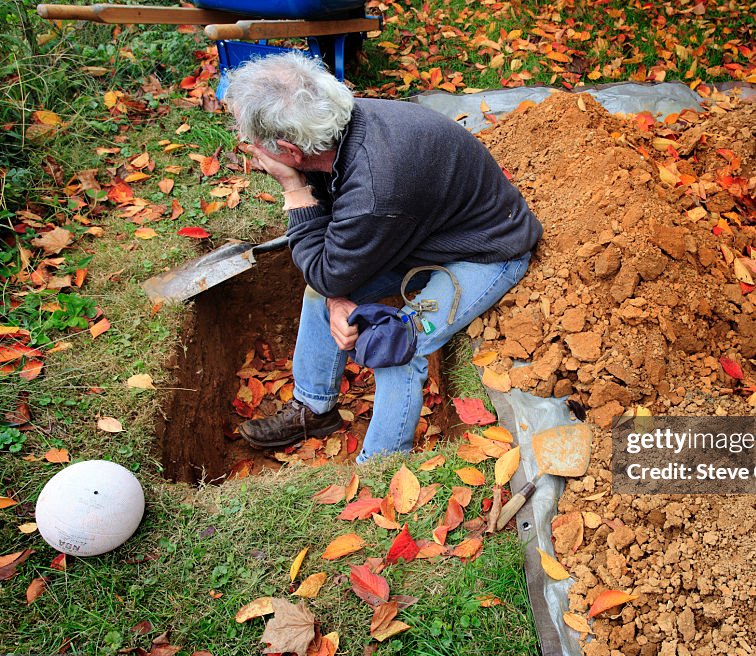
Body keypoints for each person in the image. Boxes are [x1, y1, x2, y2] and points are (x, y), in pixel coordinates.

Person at [224, 52, 541, 463]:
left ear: (290, 151)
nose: (252, 152)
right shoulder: (338, 126)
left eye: (257, 146)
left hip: (485, 254)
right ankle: (314, 409)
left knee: (395, 343)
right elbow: (328, 271)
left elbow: (328, 265)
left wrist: (292, 188)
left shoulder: (376, 186)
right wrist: (335, 292)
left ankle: (380, 465)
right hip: (419, 237)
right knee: (320, 297)